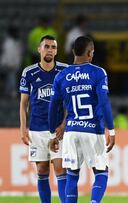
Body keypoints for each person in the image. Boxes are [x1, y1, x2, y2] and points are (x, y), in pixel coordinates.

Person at [48, 36, 116, 203]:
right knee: (101, 172)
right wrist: (112, 130)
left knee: (72, 175)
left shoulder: (62, 76)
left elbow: (53, 107)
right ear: (90, 53)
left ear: (73, 52)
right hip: (93, 130)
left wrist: (52, 135)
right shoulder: (98, 72)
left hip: (71, 131)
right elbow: (104, 101)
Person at [19, 35, 67, 203]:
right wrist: (23, 128)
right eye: (46, 46)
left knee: (61, 169)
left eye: (53, 47)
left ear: (56, 51)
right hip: (37, 129)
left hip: (57, 130)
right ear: (39, 49)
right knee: (42, 170)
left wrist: (64, 124)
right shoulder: (29, 72)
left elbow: (70, 101)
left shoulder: (64, 71)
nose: (50, 50)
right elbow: (23, 103)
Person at [0, 25, 22, 98]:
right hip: (8, 65)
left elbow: (18, 55)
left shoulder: (17, 42)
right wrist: (10, 64)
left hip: (14, 65)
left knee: (11, 77)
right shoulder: (9, 43)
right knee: (11, 77)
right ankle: (12, 92)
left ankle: (9, 92)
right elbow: (8, 55)